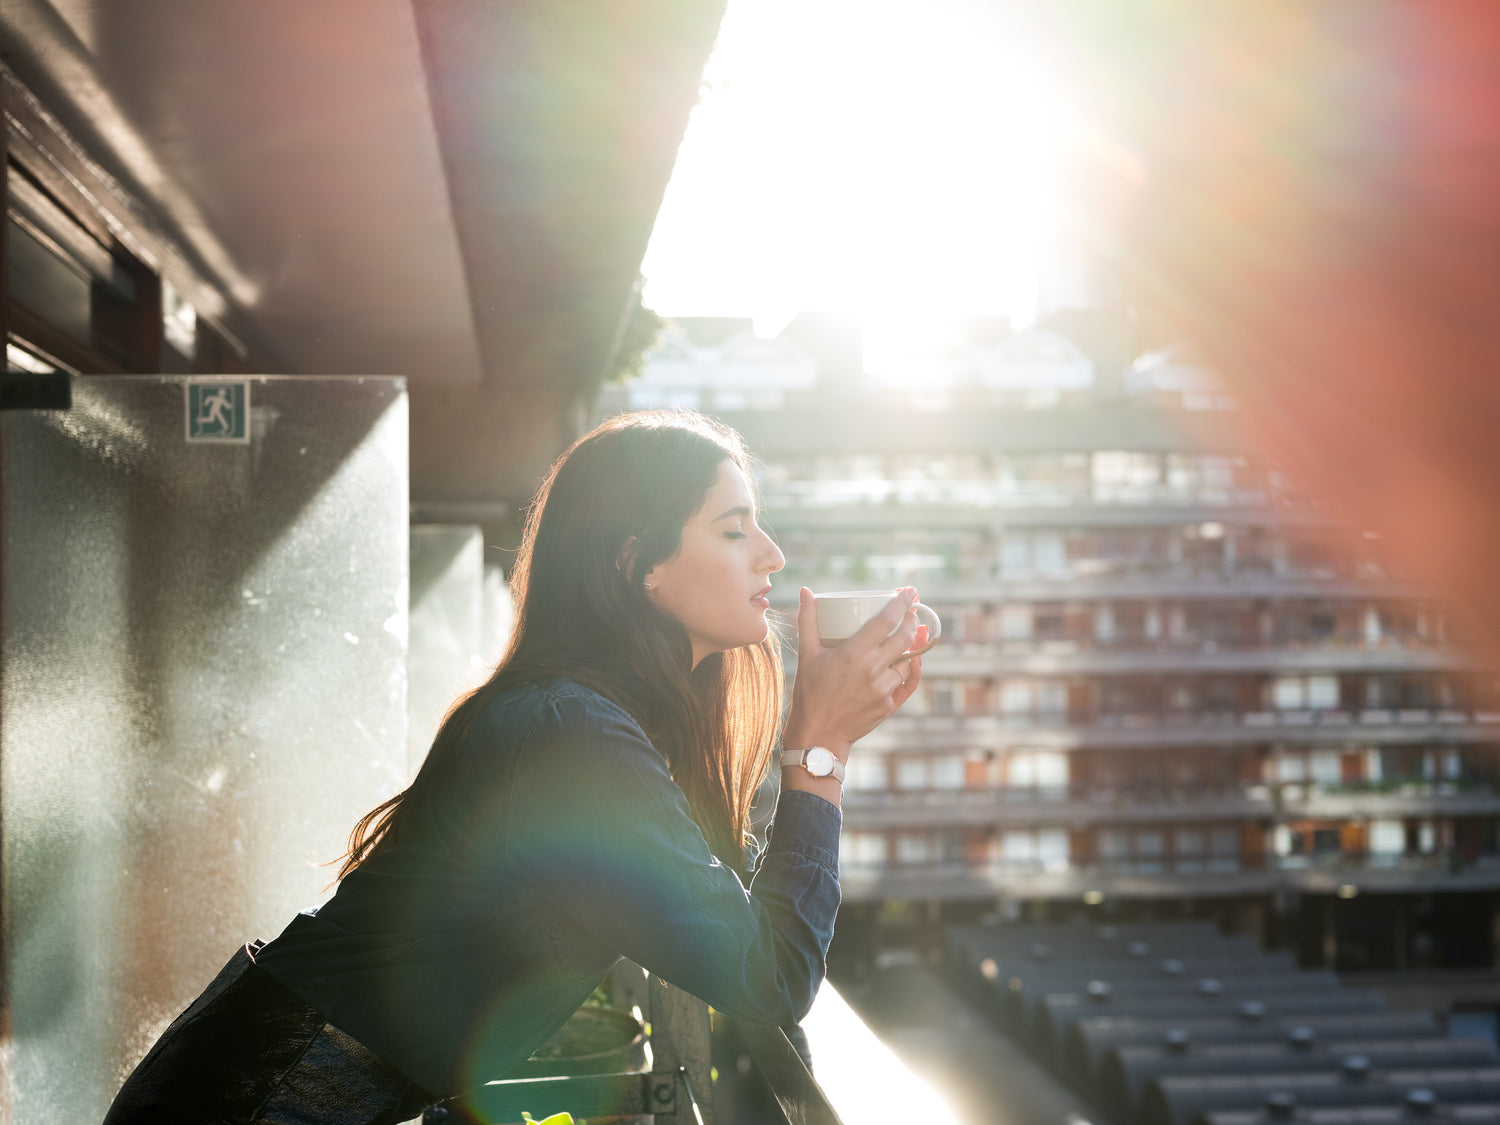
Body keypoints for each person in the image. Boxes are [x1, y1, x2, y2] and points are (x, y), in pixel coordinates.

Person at [103, 409, 926, 1124]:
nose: (773, 556)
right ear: (639, 564)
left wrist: (822, 732)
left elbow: (726, 917)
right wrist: (820, 751)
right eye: (735, 528)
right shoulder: (570, 730)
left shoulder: (585, 718)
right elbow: (768, 976)